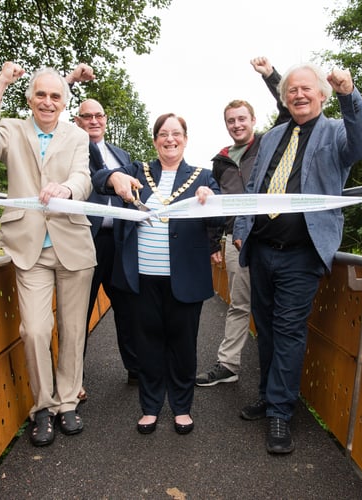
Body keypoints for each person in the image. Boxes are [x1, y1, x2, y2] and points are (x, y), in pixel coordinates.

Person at [233, 63, 362, 454]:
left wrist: (350, 93)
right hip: (261, 249)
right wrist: (242, 230)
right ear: (285, 97)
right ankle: (267, 394)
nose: (298, 94)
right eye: (291, 90)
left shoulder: (335, 132)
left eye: (306, 89)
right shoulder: (274, 135)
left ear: (322, 95)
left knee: (290, 331)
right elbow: (255, 185)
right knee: (265, 328)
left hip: (303, 252)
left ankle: (281, 411)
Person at [0, 62, 96, 447]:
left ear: (63, 102)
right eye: (40, 94)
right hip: (29, 248)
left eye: (55, 96)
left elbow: (84, 177)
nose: (47, 101)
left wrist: (67, 191)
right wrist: (0, 83)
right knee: (36, 330)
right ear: (29, 98)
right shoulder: (12, 129)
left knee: (73, 331)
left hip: (72, 244)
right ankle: (42, 406)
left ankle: (67, 402)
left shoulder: (77, 136)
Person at [92, 113, 222, 436]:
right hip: (141, 276)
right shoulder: (138, 171)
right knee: (147, 343)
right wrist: (114, 180)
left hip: (185, 277)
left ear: (185, 139)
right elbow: (98, 179)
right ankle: (150, 407)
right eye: (163, 134)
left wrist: (212, 204)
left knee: (183, 345)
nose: (169, 139)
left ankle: (182, 407)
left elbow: (219, 221)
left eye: (176, 134)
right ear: (155, 140)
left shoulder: (204, 177)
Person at [196, 57, 289, 387]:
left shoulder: (268, 143)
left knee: (274, 309)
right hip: (236, 238)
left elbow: (289, 108)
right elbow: (216, 206)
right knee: (239, 304)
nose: (236, 125)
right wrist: (213, 244)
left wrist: (270, 75)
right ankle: (228, 364)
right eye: (230, 121)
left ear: (252, 120)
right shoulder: (219, 162)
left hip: (270, 235)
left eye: (241, 119)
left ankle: (276, 373)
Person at [74, 99, 139, 394]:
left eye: (98, 115)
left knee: (127, 307)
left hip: (120, 241)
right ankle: (73, 380)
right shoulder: (73, 149)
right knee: (80, 310)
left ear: (105, 118)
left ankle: (136, 370)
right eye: (87, 116)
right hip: (87, 239)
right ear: (77, 121)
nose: (94, 120)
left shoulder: (122, 154)